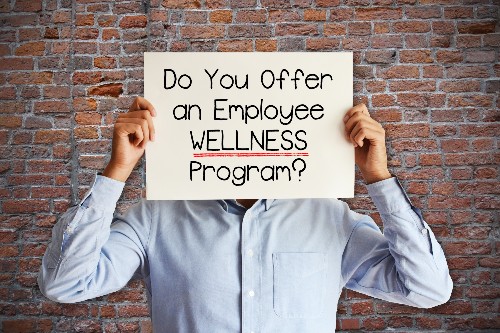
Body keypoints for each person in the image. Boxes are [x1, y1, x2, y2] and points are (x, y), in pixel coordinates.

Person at [38, 97, 452, 332]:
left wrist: (378, 178)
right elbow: (65, 284)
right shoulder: (154, 219)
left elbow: (429, 289)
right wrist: (117, 173)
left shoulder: (331, 219)